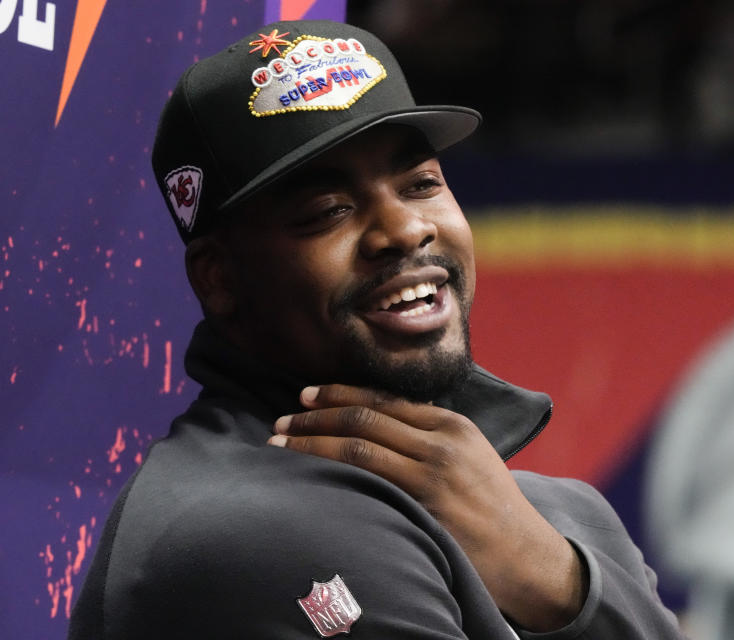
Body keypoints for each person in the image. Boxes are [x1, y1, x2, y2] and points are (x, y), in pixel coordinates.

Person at [69, 20, 685, 639]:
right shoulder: (246, 529)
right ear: (219, 278)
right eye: (327, 211)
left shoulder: (562, 517)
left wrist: (558, 580)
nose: (404, 229)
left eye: (421, 184)